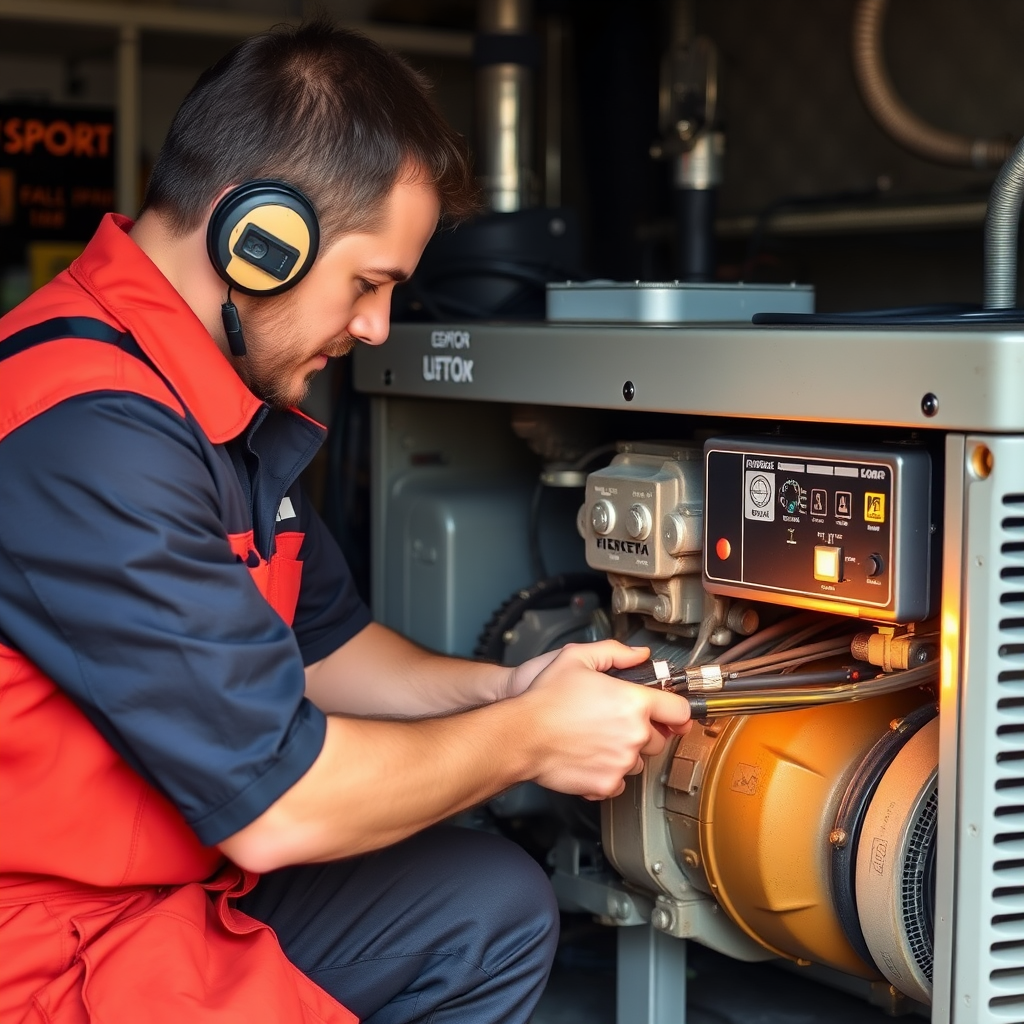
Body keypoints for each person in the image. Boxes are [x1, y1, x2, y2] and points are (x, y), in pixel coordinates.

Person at [0, 18, 691, 1024]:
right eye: (367, 283)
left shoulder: (210, 401)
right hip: (45, 954)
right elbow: (281, 806)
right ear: (256, 238)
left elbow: (325, 645)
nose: (373, 328)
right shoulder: (87, 431)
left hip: (165, 898)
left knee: (484, 906)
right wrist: (527, 739)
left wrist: (507, 686)